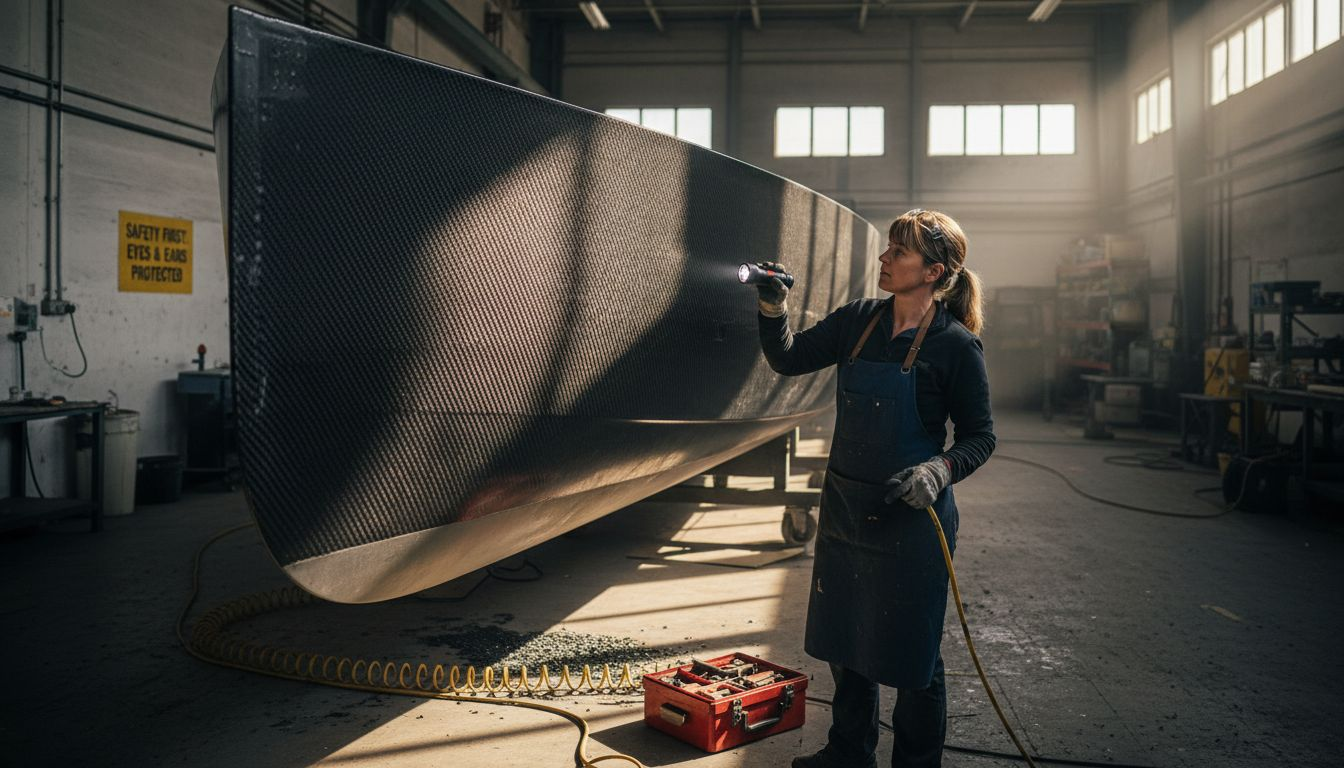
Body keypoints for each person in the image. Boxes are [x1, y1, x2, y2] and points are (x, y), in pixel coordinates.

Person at [755, 208, 995, 768]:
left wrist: (939, 470)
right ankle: (848, 753)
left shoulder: (955, 346)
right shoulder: (858, 320)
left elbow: (980, 437)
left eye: (898, 252)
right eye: (887, 248)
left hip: (912, 520)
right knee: (847, 642)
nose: (884, 259)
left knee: (914, 659)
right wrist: (773, 308)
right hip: (846, 509)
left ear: (934, 271)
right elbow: (787, 359)